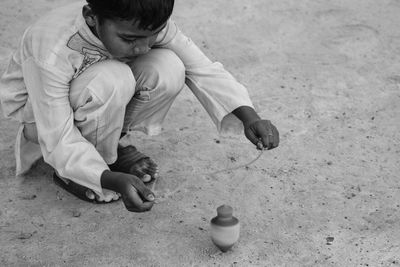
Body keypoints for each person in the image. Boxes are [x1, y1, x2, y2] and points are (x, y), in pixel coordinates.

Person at [0, 0, 279, 212]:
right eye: (130, 39)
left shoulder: (141, 21)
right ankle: (83, 171)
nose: (144, 47)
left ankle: (109, 148)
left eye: (153, 35)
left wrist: (248, 115)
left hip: (89, 94)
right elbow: (55, 132)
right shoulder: (51, 49)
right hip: (40, 117)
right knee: (112, 79)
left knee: (168, 67)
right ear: (92, 19)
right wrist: (106, 179)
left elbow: (202, 68)